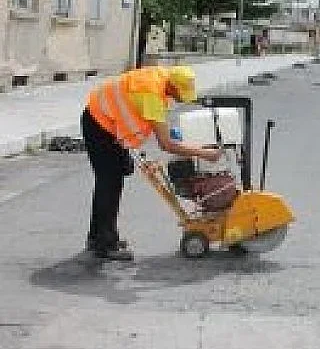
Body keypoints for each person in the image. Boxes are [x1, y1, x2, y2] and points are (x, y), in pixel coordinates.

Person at [82, 65, 222, 260]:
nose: (179, 99)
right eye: (179, 94)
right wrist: (204, 153)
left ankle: (99, 237)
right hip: (100, 125)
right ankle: (104, 245)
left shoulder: (162, 76)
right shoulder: (151, 95)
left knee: (115, 177)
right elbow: (165, 144)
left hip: (105, 120)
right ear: (172, 86)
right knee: (109, 183)